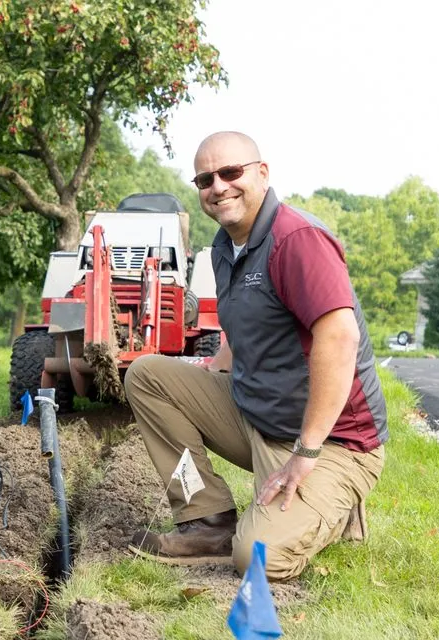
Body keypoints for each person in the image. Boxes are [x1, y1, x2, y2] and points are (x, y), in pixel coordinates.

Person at [125, 131, 387, 581]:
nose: (218, 187)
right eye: (205, 179)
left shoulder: (297, 239)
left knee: (256, 558)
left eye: (230, 172)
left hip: (330, 442)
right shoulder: (226, 247)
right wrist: (208, 376)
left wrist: (306, 452)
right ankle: (207, 520)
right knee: (149, 376)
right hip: (258, 419)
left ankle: (336, 506)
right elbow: (247, 322)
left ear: (262, 173)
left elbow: (339, 340)